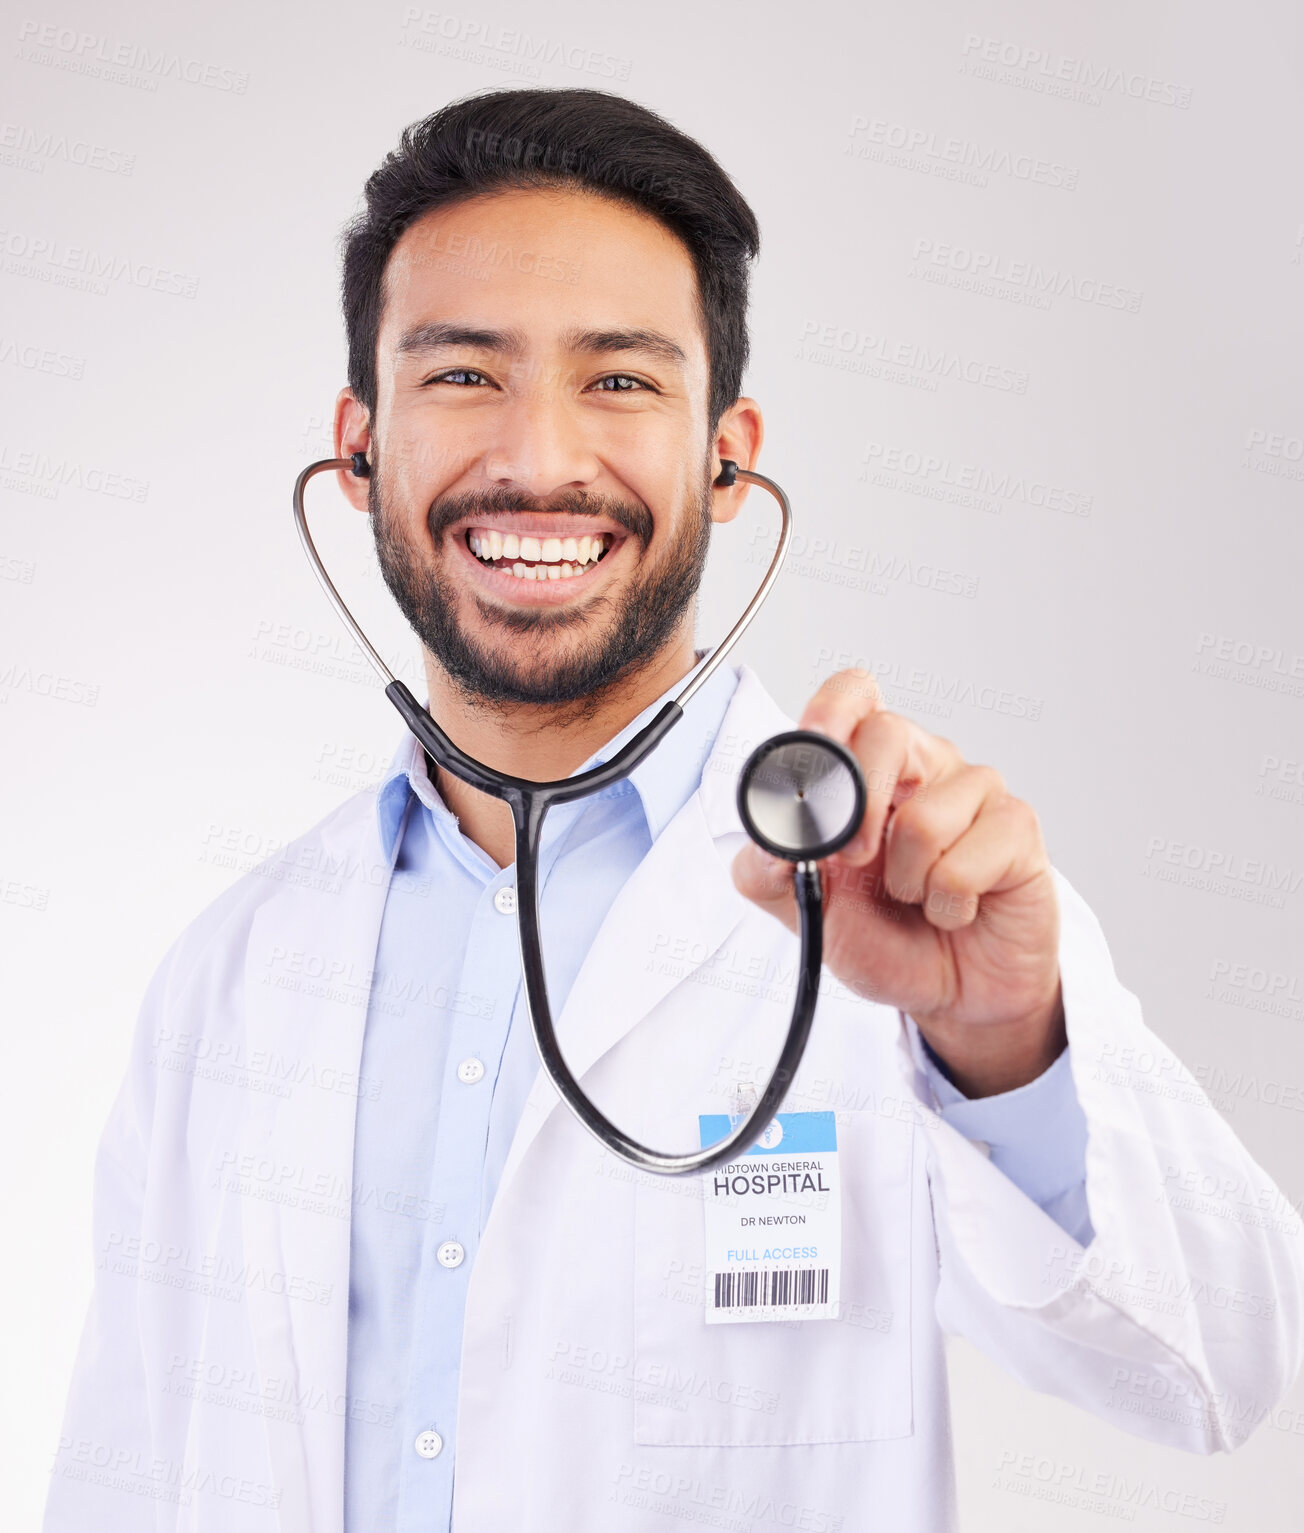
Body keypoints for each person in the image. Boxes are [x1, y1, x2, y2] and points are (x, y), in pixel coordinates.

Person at [44, 86, 1304, 1533]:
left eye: (622, 381)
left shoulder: (906, 895)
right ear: (360, 446)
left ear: (727, 448)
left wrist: (1006, 1044)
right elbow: (123, 1474)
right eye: (462, 376)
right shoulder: (233, 975)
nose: (539, 457)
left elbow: (1224, 1372)